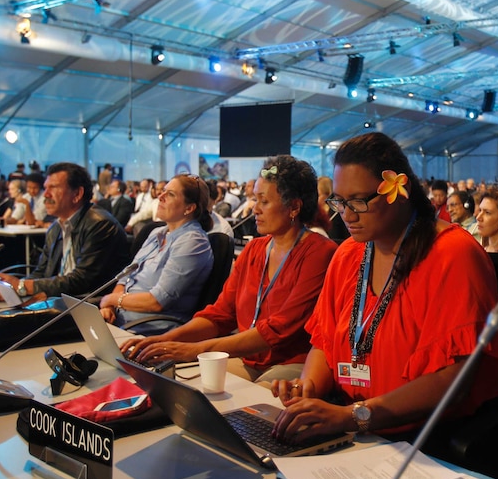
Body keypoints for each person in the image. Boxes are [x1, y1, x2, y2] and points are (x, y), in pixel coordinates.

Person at [268, 132, 498, 443]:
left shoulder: (451, 254)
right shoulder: (347, 255)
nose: (347, 214)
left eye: (358, 201)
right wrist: (309, 389)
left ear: (399, 190)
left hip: (421, 439)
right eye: (339, 202)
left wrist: (354, 415)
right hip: (347, 425)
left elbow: (453, 381)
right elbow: (325, 343)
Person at [121, 156, 337, 384]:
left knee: (242, 406)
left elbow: (278, 330)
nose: (254, 209)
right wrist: (164, 340)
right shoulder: (254, 249)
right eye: (255, 199)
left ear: (294, 206)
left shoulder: (319, 252)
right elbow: (220, 314)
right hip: (248, 359)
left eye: (263, 201)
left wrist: (193, 350)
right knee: (182, 384)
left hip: (292, 364)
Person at [0, 162, 130, 301]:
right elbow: (41, 272)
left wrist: (22, 287)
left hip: (88, 304)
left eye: (53, 188)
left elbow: (82, 280)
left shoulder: (99, 224)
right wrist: (13, 291)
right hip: (58, 299)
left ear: (77, 194)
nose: (45, 194)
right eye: (46, 188)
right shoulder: (56, 227)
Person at [98, 175, 214, 326]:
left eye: (170, 194)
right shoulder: (156, 233)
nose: (160, 196)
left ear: (189, 208)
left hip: (150, 331)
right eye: (163, 191)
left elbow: (157, 301)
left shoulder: (193, 242)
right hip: (119, 322)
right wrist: (110, 307)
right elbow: (126, 277)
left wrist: (111, 299)